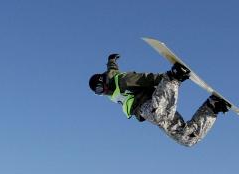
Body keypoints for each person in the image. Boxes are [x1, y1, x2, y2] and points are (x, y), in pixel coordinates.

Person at [88, 54, 231, 147]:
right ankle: (213, 107)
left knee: (159, 115)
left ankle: (174, 76)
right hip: (148, 112)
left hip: (150, 104)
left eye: (101, 89)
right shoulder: (111, 85)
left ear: (103, 82)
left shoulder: (122, 80)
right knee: (187, 138)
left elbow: (145, 78)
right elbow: (111, 69)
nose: (103, 93)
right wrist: (111, 61)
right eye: (98, 93)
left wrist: (170, 77)